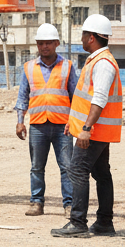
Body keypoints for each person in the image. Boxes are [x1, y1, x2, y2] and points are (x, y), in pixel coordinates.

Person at [52, 14, 123, 238]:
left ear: (91, 37)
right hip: (96, 130)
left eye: (83, 35)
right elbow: (84, 99)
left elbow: (99, 99)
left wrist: (86, 129)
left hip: (95, 131)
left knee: (78, 170)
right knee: (101, 173)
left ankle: (78, 222)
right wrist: (74, 124)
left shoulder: (103, 63)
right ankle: (104, 223)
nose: (81, 39)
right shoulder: (98, 60)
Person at [15, 24, 77, 216]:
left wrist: (75, 122)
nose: (44, 47)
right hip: (38, 125)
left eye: (48, 43)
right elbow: (23, 96)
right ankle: (36, 202)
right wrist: (20, 120)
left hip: (63, 126)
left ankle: (69, 204)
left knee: (67, 167)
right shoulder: (28, 67)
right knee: (36, 167)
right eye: (41, 43)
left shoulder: (67, 66)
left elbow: (76, 97)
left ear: (56, 43)